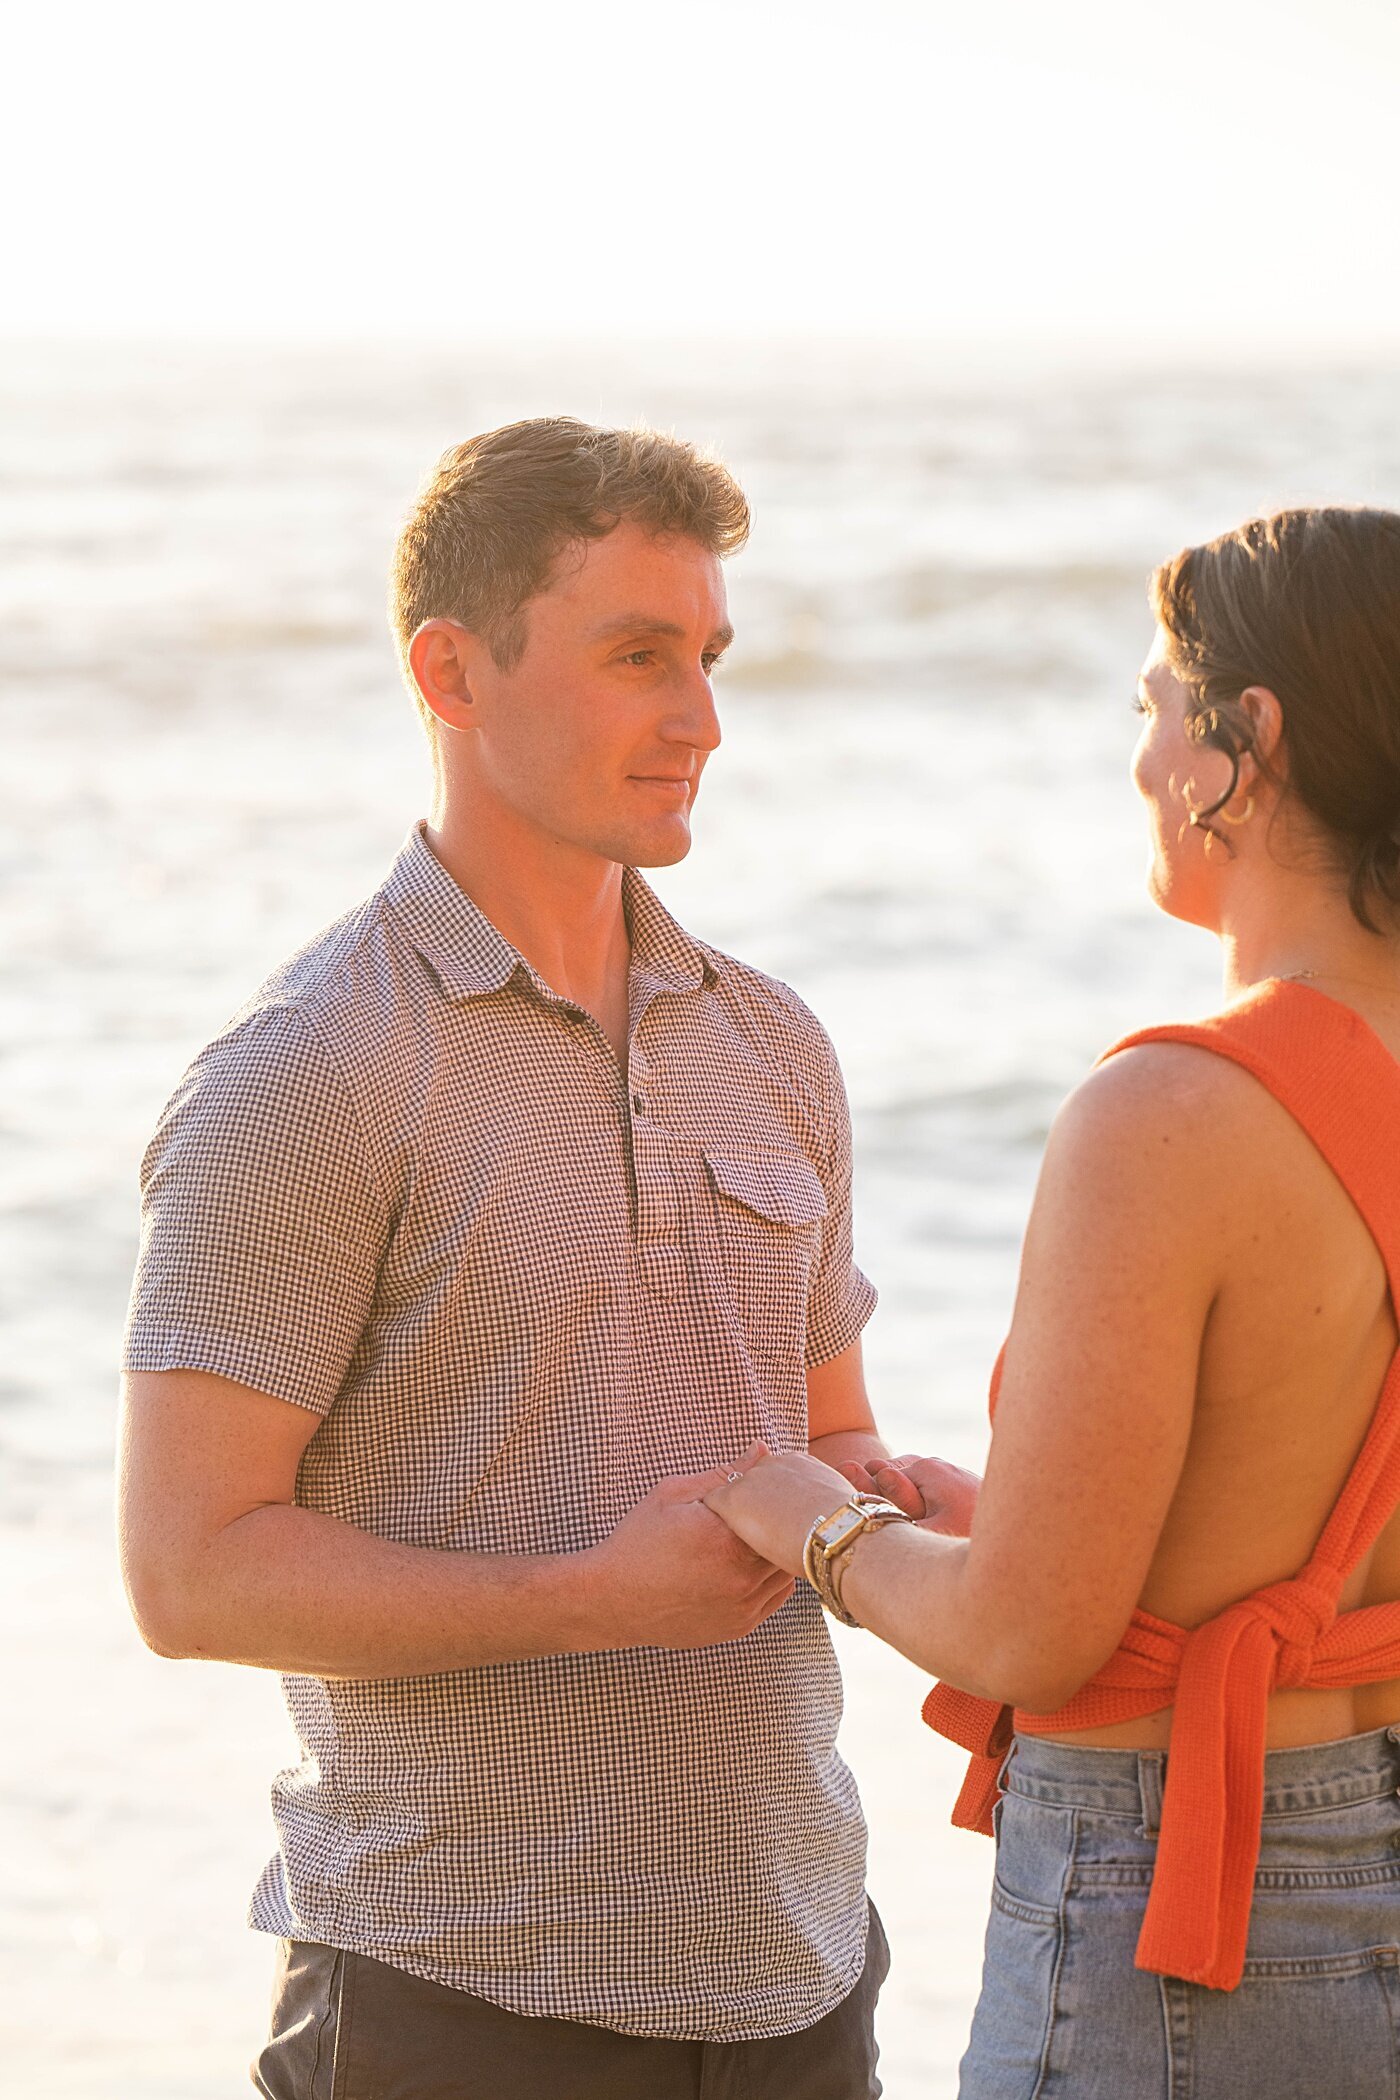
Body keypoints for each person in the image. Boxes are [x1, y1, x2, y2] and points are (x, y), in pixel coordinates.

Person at [118, 418, 899, 2100]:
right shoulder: (310, 1070)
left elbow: (828, 1447)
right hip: (454, 2007)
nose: (697, 717)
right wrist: (587, 1603)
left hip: (802, 1982)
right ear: (451, 672)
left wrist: (906, 1513)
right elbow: (188, 1572)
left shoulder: (773, 1044)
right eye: (637, 657)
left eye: (708, 657)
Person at [706, 505, 1400, 2096]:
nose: (1141, 754)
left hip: (1187, 1928)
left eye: (1155, 703)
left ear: (1248, 743)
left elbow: (1029, 1632)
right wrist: (990, 1517)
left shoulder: (1175, 1111)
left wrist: (809, 1517)